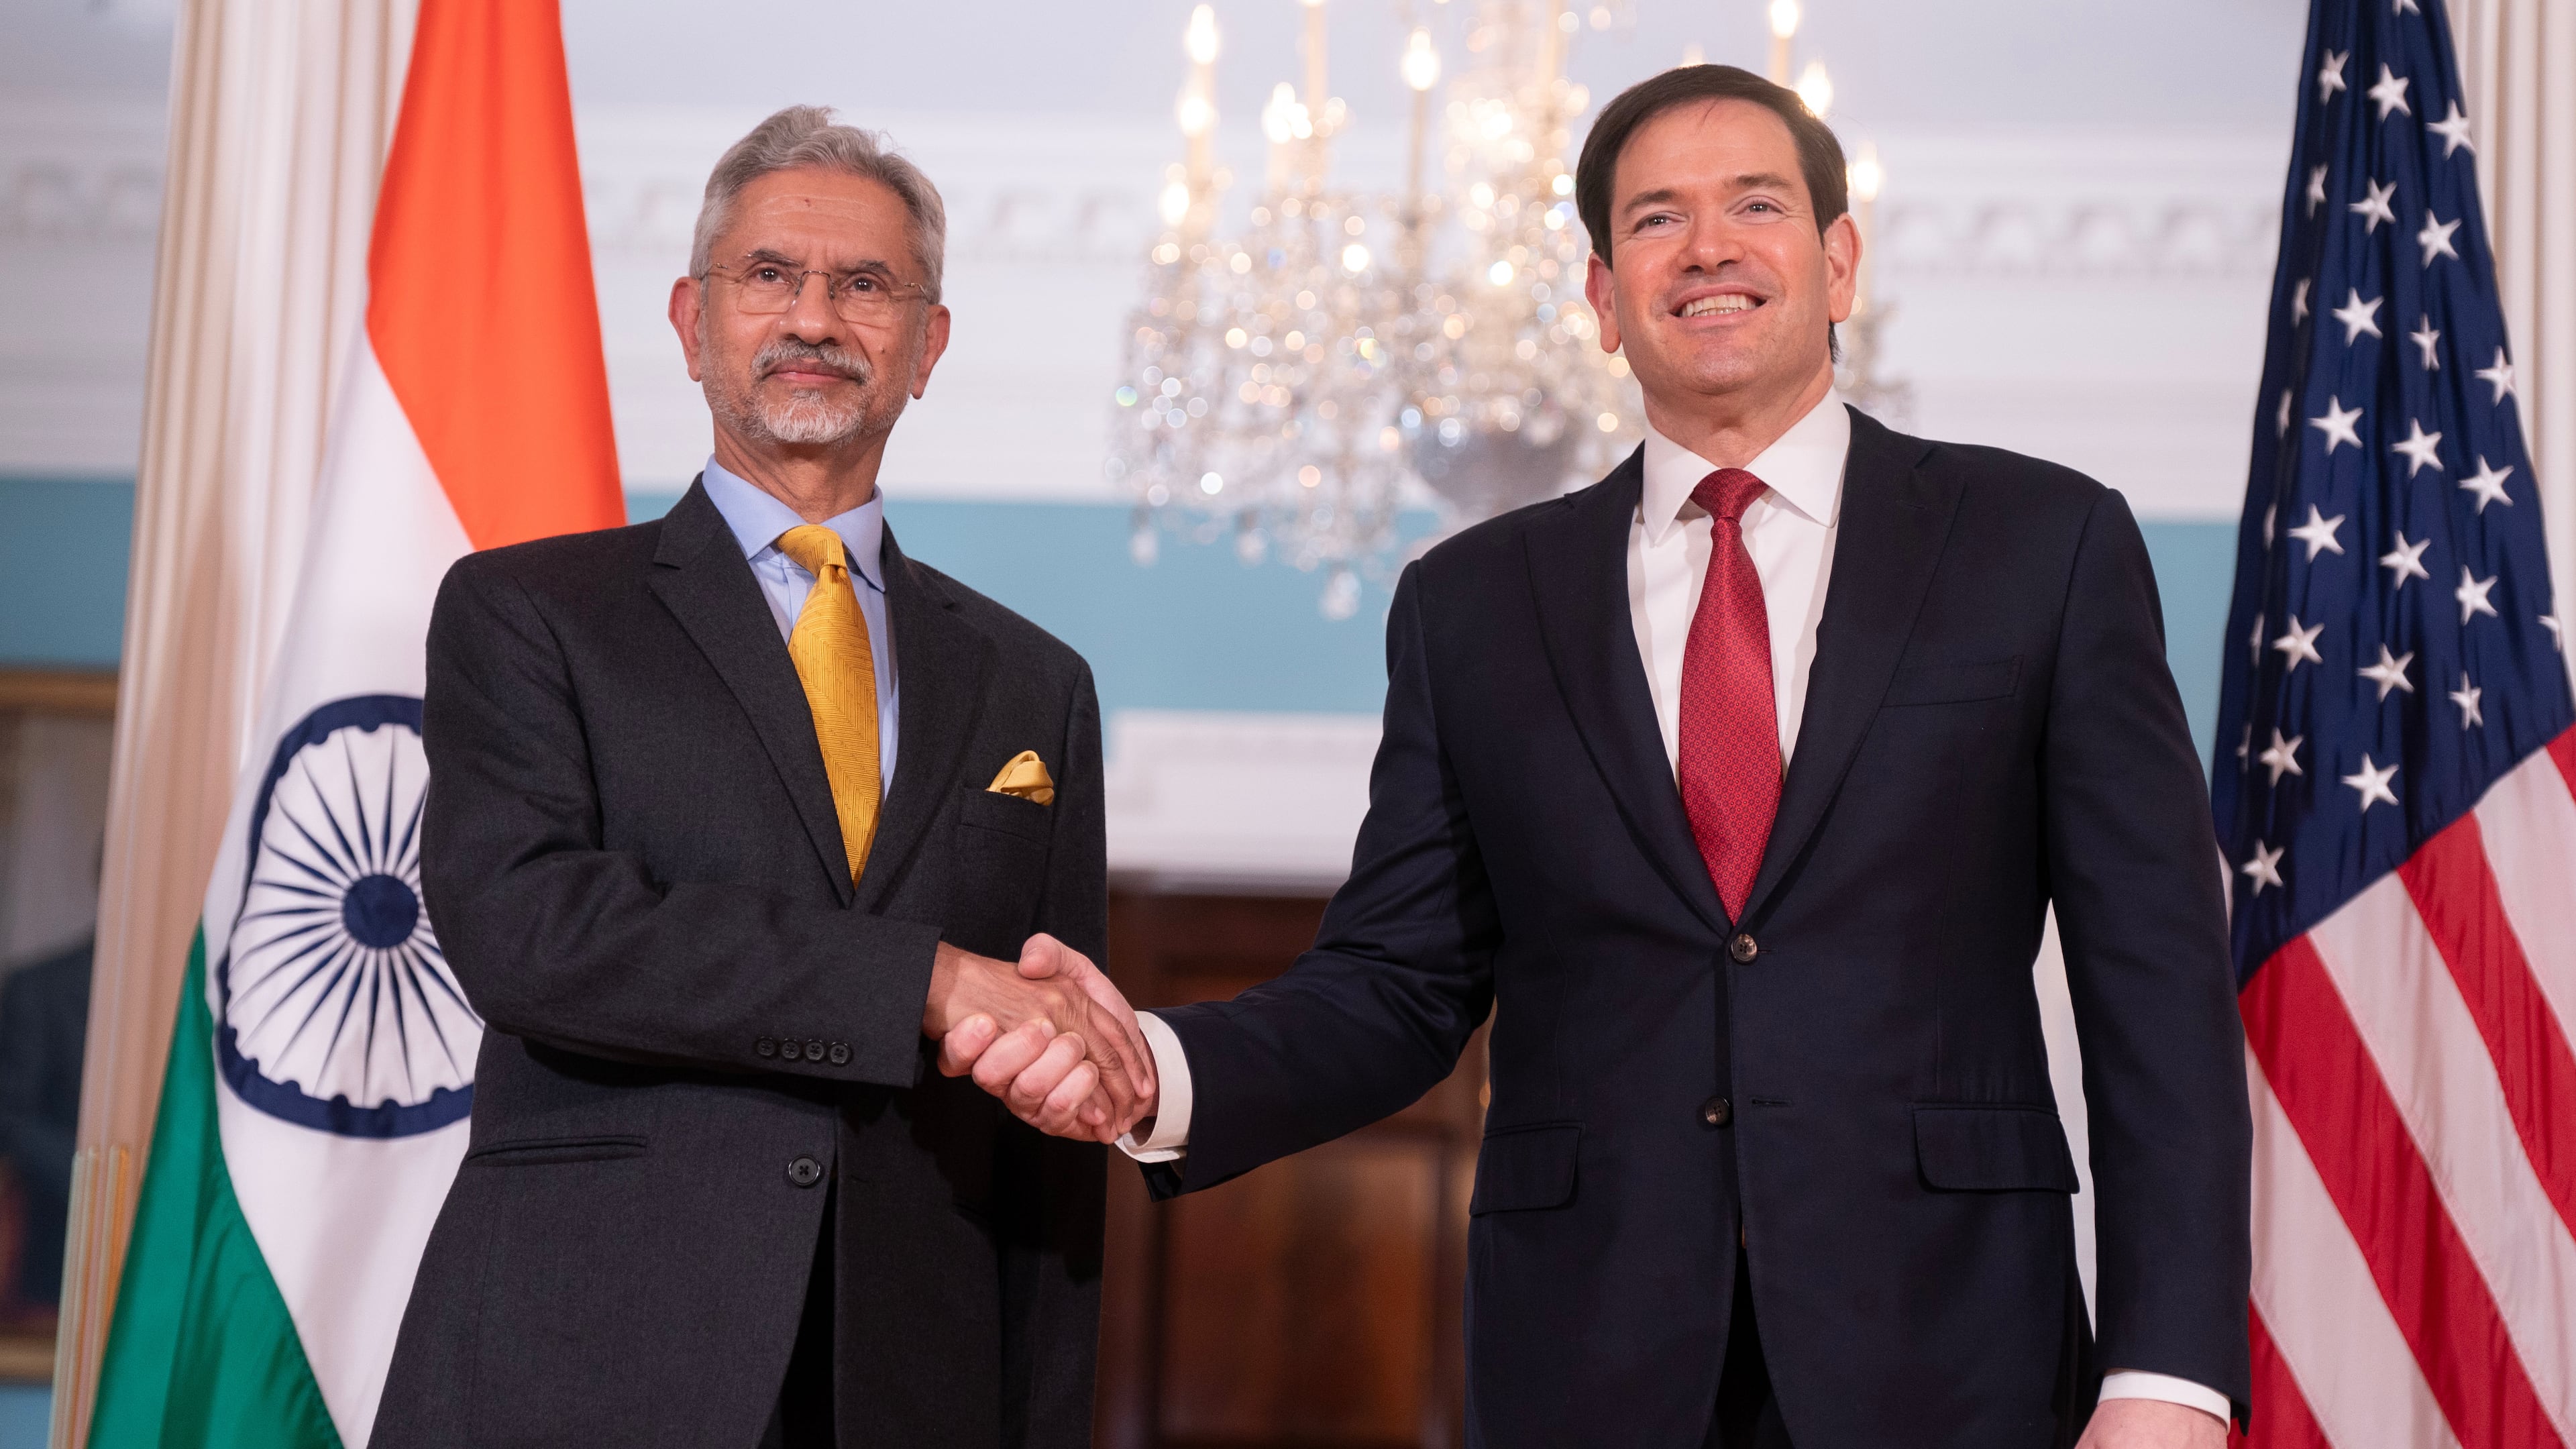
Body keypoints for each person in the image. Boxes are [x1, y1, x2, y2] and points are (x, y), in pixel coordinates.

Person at [943, 66, 2249, 1448]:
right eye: (1655, 220)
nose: (1709, 248)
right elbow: (1397, 986)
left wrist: (2168, 1380)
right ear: (1603, 299)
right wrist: (1160, 1070)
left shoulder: (2041, 546)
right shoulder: (1471, 605)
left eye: (1758, 203)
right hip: (1591, 1365)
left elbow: (2154, 986)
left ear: (1840, 261)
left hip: (1958, 1356)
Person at [377, 106, 1154, 1449]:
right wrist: (921, 981)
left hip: (918, 1383)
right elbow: (530, 936)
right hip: (587, 1369)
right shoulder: (529, 614)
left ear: (928, 345)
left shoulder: (1038, 687)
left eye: (865, 286)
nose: (815, 317)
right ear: (690, 323)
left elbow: (1048, 1107)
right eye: (769, 277)